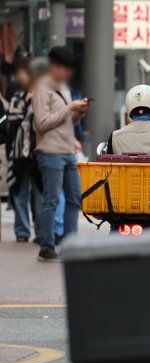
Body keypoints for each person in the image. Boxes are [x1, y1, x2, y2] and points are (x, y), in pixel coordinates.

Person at [32, 46, 89, 262]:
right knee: (52, 200)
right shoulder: (41, 87)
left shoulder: (63, 87)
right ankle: (46, 247)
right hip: (50, 152)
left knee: (74, 198)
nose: (68, 73)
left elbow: (67, 122)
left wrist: (78, 114)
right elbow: (41, 124)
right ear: (54, 66)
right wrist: (69, 108)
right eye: (64, 68)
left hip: (68, 151)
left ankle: (70, 247)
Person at [7, 56, 42, 243]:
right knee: (19, 192)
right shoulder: (17, 96)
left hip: (39, 152)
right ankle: (22, 231)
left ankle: (41, 230)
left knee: (40, 195)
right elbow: (11, 119)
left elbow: (44, 119)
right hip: (20, 152)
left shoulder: (45, 96)